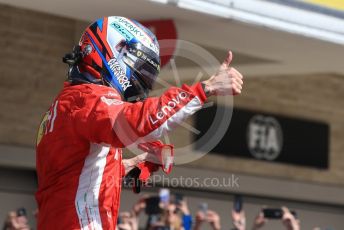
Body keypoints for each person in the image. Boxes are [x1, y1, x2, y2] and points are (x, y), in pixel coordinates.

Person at [35, 16, 244, 230]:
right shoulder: (86, 99)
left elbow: (75, 178)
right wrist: (205, 89)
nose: (141, 77)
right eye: (138, 65)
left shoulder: (69, 104)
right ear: (112, 52)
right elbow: (136, 122)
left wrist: (130, 165)